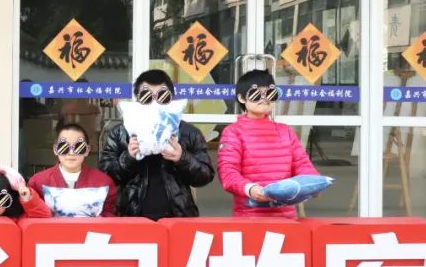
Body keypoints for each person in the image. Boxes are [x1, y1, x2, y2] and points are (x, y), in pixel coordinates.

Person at [98, 69, 214, 219]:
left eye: (162, 96)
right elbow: (105, 176)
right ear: (137, 100)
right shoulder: (121, 133)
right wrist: (129, 157)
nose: (154, 103)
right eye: (146, 96)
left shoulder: (188, 132)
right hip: (132, 217)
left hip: (177, 216)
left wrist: (182, 157)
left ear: (171, 99)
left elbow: (205, 176)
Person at [217, 69, 320, 219]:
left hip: (286, 217)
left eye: (270, 94)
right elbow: (228, 173)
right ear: (241, 98)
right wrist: (250, 189)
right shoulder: (233, 132)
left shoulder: (285, 131)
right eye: (256, 94)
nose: (264, 99)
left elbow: (302, 164)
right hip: (250, 216)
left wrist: (313, 182)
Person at [27, 121, 118, 217]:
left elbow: (109, 217)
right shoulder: (38, 182)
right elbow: (32, 215)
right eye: (64, 147)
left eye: (79, 147)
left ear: (87, 150)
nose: (71, 152)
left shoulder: (103, 183)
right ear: (55, 149)